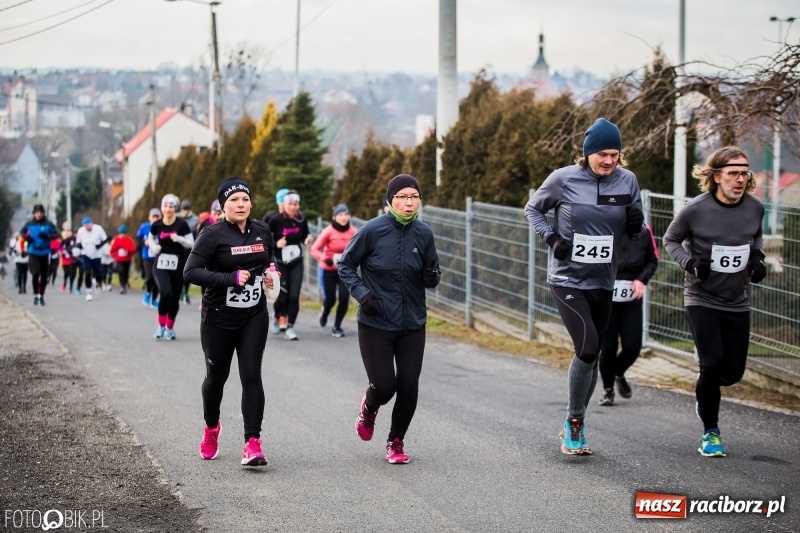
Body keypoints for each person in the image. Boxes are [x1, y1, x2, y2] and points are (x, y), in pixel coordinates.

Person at [524, 118, 644, 455]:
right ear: (588, 153)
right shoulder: (564, 179)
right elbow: (533, 209)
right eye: (602, 154)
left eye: (615, 155)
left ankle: (574, 423)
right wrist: (551, 237)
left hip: (603, 281)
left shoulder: (628, 181)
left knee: (590, 356)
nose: (609, 161)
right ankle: (574, 422)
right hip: (567, 279)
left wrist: (636, 225)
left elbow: (636, 228)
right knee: (590, 347)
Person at [663, 146, 766, 458]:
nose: (740, 179)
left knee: (732, 373)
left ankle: (704, 390)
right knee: (711, 364)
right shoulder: (696, 209)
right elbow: (670, 240)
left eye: (744, 173)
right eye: (733, 173)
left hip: (737, 299)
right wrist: (690, 263)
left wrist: (758, 257)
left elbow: (756, 236)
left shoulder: (755, 208)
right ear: (717, 176)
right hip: (701, 297)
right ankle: (711, 432)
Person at [339, 174, 441, 464]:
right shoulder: (372, 230)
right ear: (391, 200)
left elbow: (433, 271)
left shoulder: (424, 233)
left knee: (409, 385)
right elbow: (346, 265)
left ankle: (396, 441)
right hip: (376, 321)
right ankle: (369, 408)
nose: (409, 202)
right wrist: (363, 294)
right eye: (402, 197)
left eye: (414, 197)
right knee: (385, 386)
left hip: (413, 323)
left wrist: (432, 277)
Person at [184, 176, 277, 467]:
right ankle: (211, 428)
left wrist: (273, 271)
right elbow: (190, 272)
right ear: (223, 205)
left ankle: (252, 443)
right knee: (216, 379)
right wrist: (229, 279)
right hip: (218, 318)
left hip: (253, 314)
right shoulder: (211, 235)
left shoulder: (262, 231)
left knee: (251, 375)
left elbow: (269, 259)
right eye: (234, 200)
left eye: (245, 199)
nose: (241, 204)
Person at [597, 224, 659, 406]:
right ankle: (608, 390)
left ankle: (618, 371)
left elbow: (653, 259)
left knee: (633, 346)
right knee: (608, 347)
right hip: (606, 297)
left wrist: (642, 279)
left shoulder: (644, 230)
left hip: (632, 297)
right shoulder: (603, 227)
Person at [266, 190, 313, 340]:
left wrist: (308, 238)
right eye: (290, 204)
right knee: (281, 296)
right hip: (280, 263)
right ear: (284, 204)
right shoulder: (275, 220)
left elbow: (305, 234)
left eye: (295, 204)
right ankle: (277, 316)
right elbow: (263, 241)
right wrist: (276, 244)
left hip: (296, 261)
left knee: (294, 296)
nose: (293, 207)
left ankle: (290, 327)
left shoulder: (301, 219)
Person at [148, 194, 194, 340]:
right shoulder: (157, 225)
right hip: (161, 263)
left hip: (178, 264)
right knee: (166, 292)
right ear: (162, 207)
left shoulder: (181, 224)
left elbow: (191, 243)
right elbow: (150, 238)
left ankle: (169, 327)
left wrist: (178, 238)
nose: (168, 209)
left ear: (175, 208)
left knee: (174, 297)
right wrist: (154, 246)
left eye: (171, 206)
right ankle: (161, 326)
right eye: (166, 206)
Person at [310, 203, 357, 337]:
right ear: (334, 217)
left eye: (346, 214)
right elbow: (314, 249)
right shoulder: (328, 231)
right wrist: (325, 259)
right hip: (328, 269)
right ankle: (325, 312)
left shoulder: (353, 231)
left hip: (344, 270)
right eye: (340, 215)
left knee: (344, 298)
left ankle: (337, 326)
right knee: (330, 299)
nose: (343, 217)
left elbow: (358, 249)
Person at [20, 204, 59, 305]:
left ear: (43, 213)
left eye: (41, 213)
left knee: (44, 275)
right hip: (33, 251)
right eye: (37, 213)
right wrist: (27, 238)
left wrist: (48, 236)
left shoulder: (48, 223)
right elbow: (22, 232)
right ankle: (35, 295)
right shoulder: (30, 223)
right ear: (34, 214)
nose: (39, 215)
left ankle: (41, 295)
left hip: (45, 252)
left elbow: (57, 234)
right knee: (35, 274)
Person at [74, 217, 109, 301]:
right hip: (86, 254)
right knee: (88, 272)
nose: (87, 227)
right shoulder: (81, 231)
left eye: (89, 225)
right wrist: (80, 246)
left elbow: (105, 239)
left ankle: (98, 283)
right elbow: (78, 242)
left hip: (96, 255)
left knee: (98, 272)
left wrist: (99, 246)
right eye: (86, 226)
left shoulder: (98, 229)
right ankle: (89, 291)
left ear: (91, 224)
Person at [136, 208, 161, 308]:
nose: (155, 219)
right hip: (147, 256)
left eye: (157, 216)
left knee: (157, 279)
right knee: (149, 277)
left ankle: (154, 300)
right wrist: (144, 242)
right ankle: (147, 292)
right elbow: (138, 239)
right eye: (153, 217)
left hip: (159, 256)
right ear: (149, 217)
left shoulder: (163, 227)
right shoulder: (144, 227)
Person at [179, 199, 200, 305]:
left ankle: (186, 292)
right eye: (184, 209)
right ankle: (179, 291)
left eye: (187, 210)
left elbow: (198, 233)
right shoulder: (177, 217)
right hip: (178, 248)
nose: (185, 212)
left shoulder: (195, 219)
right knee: (178, 272)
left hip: (190, 248)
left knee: (187, 271)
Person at [110, 224, 137, 294]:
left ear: (126, 233)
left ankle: (124, 284)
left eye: (124, 233)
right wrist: (115, 256)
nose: (122, 235)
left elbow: (133, 249)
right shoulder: (116, 239)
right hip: (119, 260)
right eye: (121, 233)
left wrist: (127, 250)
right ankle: (122, 286)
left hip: (127, 260)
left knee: (125, 273)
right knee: (121, 272)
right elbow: (112, 250)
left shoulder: (129, 240)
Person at [59, 223, 78, 293]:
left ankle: (70, 285)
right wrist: (63, 252)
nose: (68, 233)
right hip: (65, 259)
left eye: (70, 232)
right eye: (67, 232)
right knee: (66, 272)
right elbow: (59, 248)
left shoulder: (74, 240)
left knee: (72, 273)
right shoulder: (64, 241)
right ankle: (64, 283)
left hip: (72, 258)